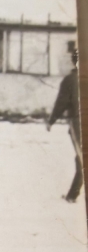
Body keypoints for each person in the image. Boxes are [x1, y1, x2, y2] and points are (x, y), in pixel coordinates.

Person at [47, 50, 83, 203]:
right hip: (78, 121)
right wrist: (52, 120)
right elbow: (62, 102)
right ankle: (72, 195)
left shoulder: (70, 80)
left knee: (81, 158)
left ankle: (72, 195)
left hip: (78, 123)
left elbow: (61, 103)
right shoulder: (71, 80)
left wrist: (51, 120)